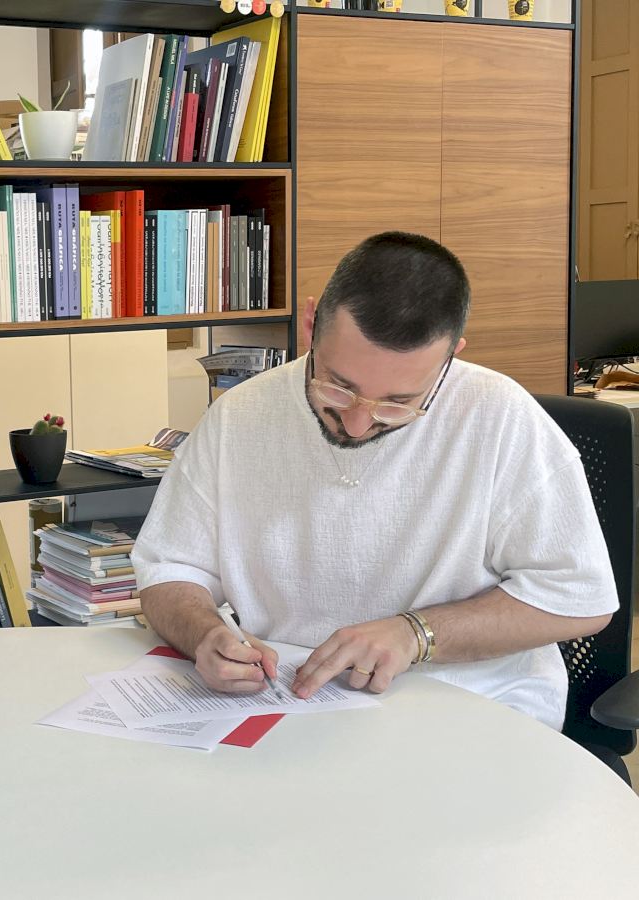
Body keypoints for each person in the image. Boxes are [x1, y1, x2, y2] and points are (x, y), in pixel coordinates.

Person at [133, 232, 617, 730]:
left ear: (450, 358)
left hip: (469, 705)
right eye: (339, 387)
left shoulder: (502, 419)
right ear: (310, 325)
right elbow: (169, 569)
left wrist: (417, 634)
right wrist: (203, 634)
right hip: (286, 700)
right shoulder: (239, 416)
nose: (359, 422)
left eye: (398, 403)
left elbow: (580, 600)